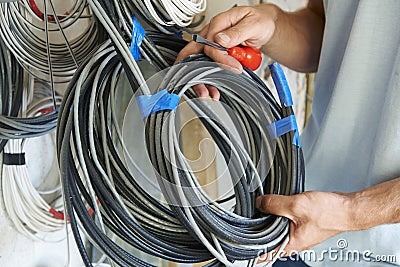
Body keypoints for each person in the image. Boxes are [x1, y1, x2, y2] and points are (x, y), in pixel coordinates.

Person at [176, 0, 400, 266]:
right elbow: (331, 32)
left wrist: (349, 213)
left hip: (382, 248)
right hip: (302, 220)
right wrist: (272, 24)